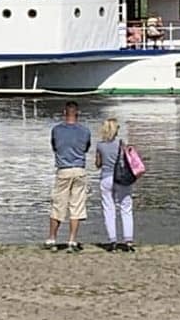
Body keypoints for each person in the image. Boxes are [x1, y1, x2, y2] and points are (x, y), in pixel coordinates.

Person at [45, 102, 92, 251]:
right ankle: (72, 240)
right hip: (79, 169)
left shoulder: (57, 130)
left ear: (64, 112)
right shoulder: (85, 131)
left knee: (58, 205)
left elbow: (54, 147)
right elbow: (86, 148)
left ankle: (52, 238)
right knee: (76, 206)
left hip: (63, 169)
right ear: (77, 113)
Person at [93, 118, 136, 252]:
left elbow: (98, 164)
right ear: (116, 130)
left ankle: (112, 241)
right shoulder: (122, 144)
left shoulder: (100, 145)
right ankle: (128, 240)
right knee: (126, 207)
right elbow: (129, 160)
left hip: (106, 178)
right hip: (121, 178)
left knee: (109, 210)